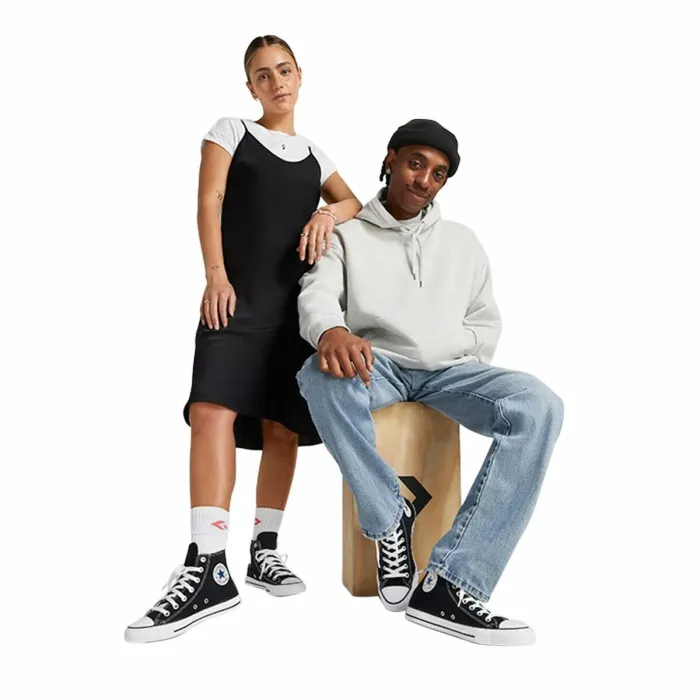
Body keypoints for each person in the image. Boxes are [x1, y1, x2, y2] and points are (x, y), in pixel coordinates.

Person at [124, 35, 361, 643]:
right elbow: (209, 200)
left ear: (300, 75)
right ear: (250, 87)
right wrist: (215, 275)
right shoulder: (231, 131)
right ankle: (208, 563)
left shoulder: (315, 155)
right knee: (210, 411)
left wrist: (325, 213)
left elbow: (353, 202)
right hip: (235, 297)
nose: (276, 82)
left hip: (294, 311)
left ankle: (265, 549)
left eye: (284, 70)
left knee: (282, 428)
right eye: (262, 75)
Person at [296, 119, 564, 646]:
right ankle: (388, 515)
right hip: (377, 364)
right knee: (317, 376)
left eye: (438, 174)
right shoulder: (346, 235)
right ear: (391, 159)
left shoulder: (463, 242)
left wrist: (461, 359)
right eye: (415, 164)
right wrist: (331, 330)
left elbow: (484, 319)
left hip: (449, 372)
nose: (424, 180)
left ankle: (451, 582)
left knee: (540, 406)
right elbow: (317, 293)